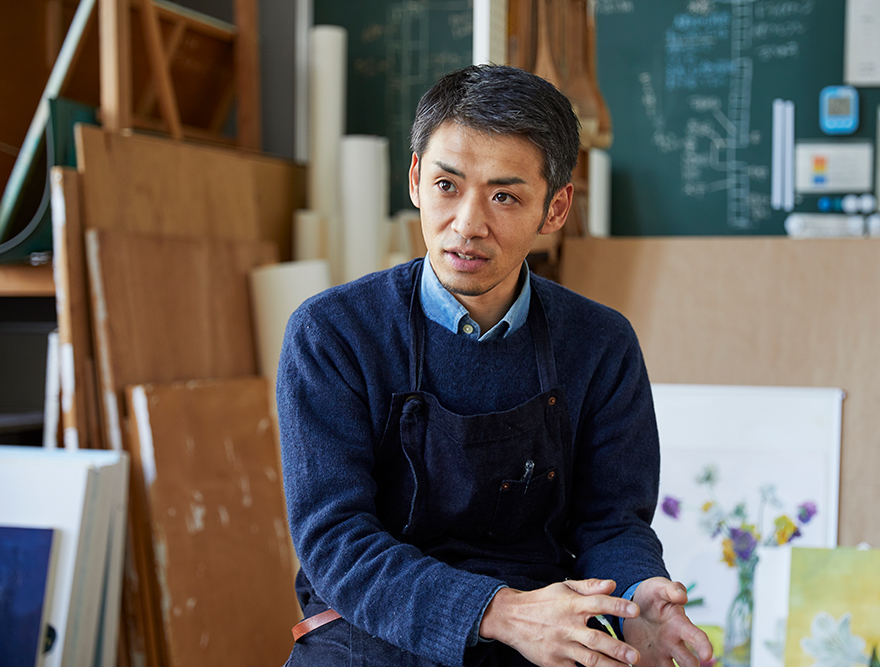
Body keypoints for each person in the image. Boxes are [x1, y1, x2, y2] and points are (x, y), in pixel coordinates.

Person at [277, 64, 713, 667]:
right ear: (414, 180)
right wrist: (498, 610)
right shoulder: (333, 333)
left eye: (504, 195)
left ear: (556, 208)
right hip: (368, 633)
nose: (467, 224)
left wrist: (641, 600)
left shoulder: (601, 343)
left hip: (545, 636)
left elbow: (612, 522)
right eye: (447, 186)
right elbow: (336, 542)